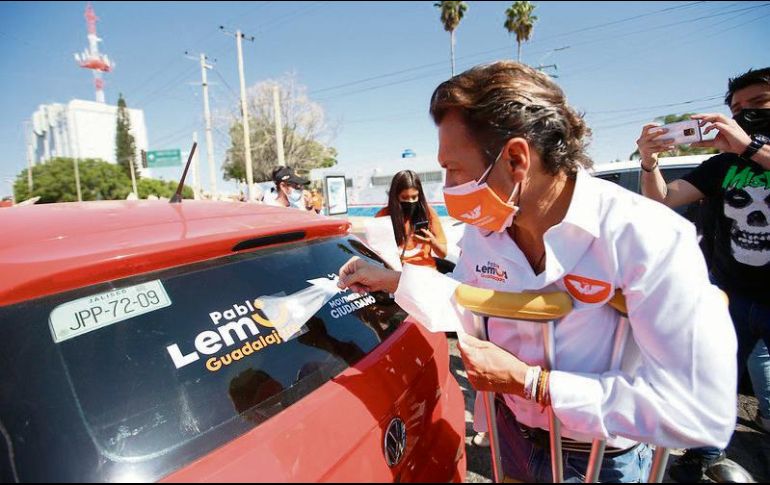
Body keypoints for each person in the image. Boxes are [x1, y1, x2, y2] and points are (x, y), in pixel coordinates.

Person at [336, 61, 737, 483]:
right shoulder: (484, 231)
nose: (447, 188)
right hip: (513, 440)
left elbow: (699, 411)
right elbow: (470, 303)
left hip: (600, 460)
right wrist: (394, 280)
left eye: (454, 168)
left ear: (515, 159)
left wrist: (535, 384)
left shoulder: (648, 236)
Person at [636, 67, 770, 482]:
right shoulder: (722, 165)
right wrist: (649, 160)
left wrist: (748, 148)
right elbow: (663, 198)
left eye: (757, 105)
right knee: (713, 378)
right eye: (735, 108)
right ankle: (706, 456)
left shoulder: (745, 152)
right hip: (731, 295)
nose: (743, 113)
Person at [375, 170, 448, 269]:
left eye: (414, 197)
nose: (410, 201)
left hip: (426, 271)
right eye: (404, 197)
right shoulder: (383, 216)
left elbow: (443, 254)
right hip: (396, 273)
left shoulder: (429, 213)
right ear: (395, 197)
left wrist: (432, 242)